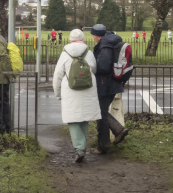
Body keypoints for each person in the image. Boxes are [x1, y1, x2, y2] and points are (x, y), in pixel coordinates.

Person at [53, 29, 101, 163]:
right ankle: (82, 147)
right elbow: (94, 69)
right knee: (84, 117)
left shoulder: (65, 53)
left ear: (70, 39)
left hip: (70, 90)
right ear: (83, 38)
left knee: (73, 119)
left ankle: (78, 149)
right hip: (87, 88)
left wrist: (58, 93)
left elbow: (58, 75)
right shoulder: (89, 53)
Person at [91, 24, 129, 153]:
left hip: (105, 84)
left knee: (100, 113)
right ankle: (117, 130)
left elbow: (103, 66)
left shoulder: (105, 45)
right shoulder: (112, 41)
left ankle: (103, 146)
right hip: (113, 83)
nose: (93, 38)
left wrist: (93, 66)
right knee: (101, 112)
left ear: (97, 35)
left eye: (93, 35)